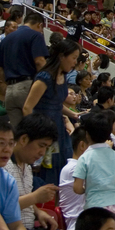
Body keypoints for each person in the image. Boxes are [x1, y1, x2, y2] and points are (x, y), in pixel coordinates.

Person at [21, 39, 80, 183]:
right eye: (73, 58)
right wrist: (36, 133)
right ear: (61, 56)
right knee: (48, 167)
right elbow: (27, 107)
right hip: (44, 129)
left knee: (63, 162)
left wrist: (73, 114)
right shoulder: (44, 77)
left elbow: (56, 103)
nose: (75, 62)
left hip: (58, 127)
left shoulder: (63, 76)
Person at [0, 12, 47, 127]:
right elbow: (39, 62)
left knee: (18, 134)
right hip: (28, 87)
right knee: (34, 130)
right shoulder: (35, 35)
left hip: (10, 91)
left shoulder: (6, 39)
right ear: (39, 25)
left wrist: (8, 83)